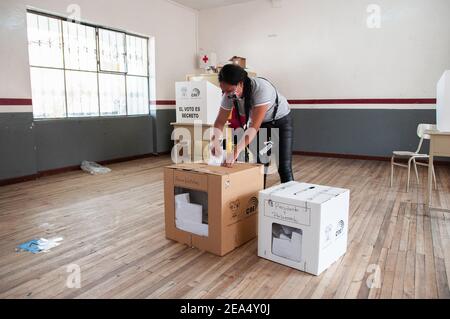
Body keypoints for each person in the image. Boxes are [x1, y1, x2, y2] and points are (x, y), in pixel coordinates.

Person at [210, 64, 294, 187]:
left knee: (284, 166)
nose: (227, 95)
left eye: (229, 90)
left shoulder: (261, 89)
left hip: (281, 121)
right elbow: (219, 121)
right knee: (260, 165)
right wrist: (215, 142)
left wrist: (235, 151)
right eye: (223, 91)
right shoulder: (229, 95)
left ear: (241, 83)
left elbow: (254, 127)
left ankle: (292, 201)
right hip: (261, 125)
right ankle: (259, 200)